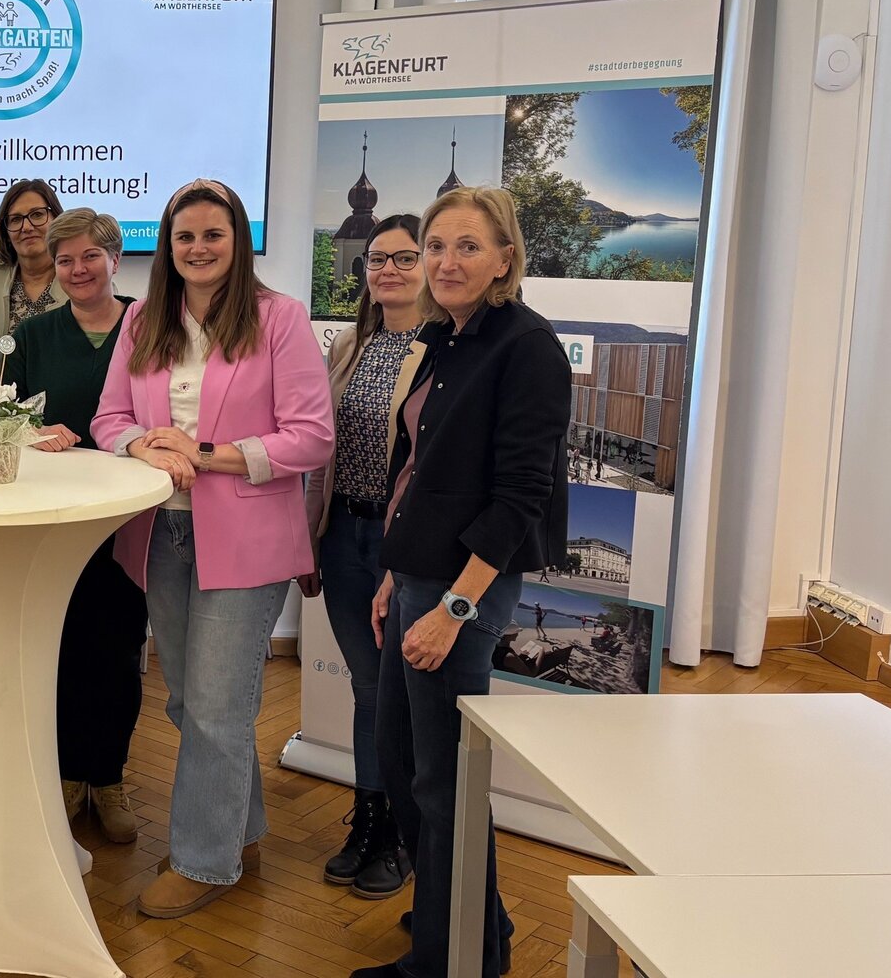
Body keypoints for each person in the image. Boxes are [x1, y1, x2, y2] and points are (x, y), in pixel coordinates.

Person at [91, 179, 333, 919]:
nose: (198, 249)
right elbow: (110, 417)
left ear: (238, 242)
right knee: (190, 700)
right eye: (185, 236)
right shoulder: (143, 323)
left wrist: (201, 451)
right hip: (160, 530)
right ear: (167, 246)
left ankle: (203, 861)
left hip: (249, 538)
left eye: (213, 235)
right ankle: (239, 826)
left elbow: (312, 436)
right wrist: (146, 446)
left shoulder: (279, 318)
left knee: (219, 708)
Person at [354, 186, 570, 978]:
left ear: (505, 258)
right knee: (406, 764)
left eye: (467, 246)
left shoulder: (527, 347)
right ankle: (478, 932)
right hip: (419, 575)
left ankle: (450, 962)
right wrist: (394, 574)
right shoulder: (451, 338)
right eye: (436, 245)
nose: (446, 261)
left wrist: (450, 607)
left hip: (464, 590)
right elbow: (423, 471)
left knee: (441, 782)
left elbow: (522, 497)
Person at [3, 206, 145, 844]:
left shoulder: (153, 326)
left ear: (115, 258)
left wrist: (88, 438)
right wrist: (35, 434)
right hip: (55, 521)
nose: (78, 269)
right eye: (65, 260)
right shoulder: (34, 337)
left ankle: (108, 778)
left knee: (117, 651)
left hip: (128, 520)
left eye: (90, 256)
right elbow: (12, 421)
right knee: (59, 647)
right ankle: (64, 773)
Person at [298, 213, 425, 900]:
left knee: (402, 693)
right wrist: (307, 534)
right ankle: (369, 820)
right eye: (377, 259)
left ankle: (403, 832)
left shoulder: (443, 348)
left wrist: (400, 563)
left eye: (406, 257)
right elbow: (320, 451)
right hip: (342, 534)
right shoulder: (348, 343)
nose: (389, 270)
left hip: (402, 546)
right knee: (369, 686)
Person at [0, 179, 66, 372]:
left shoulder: (80, 282)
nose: (26, 227)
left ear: (57, 220)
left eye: (37, 215)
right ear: (5, 231)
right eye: (15, 219)